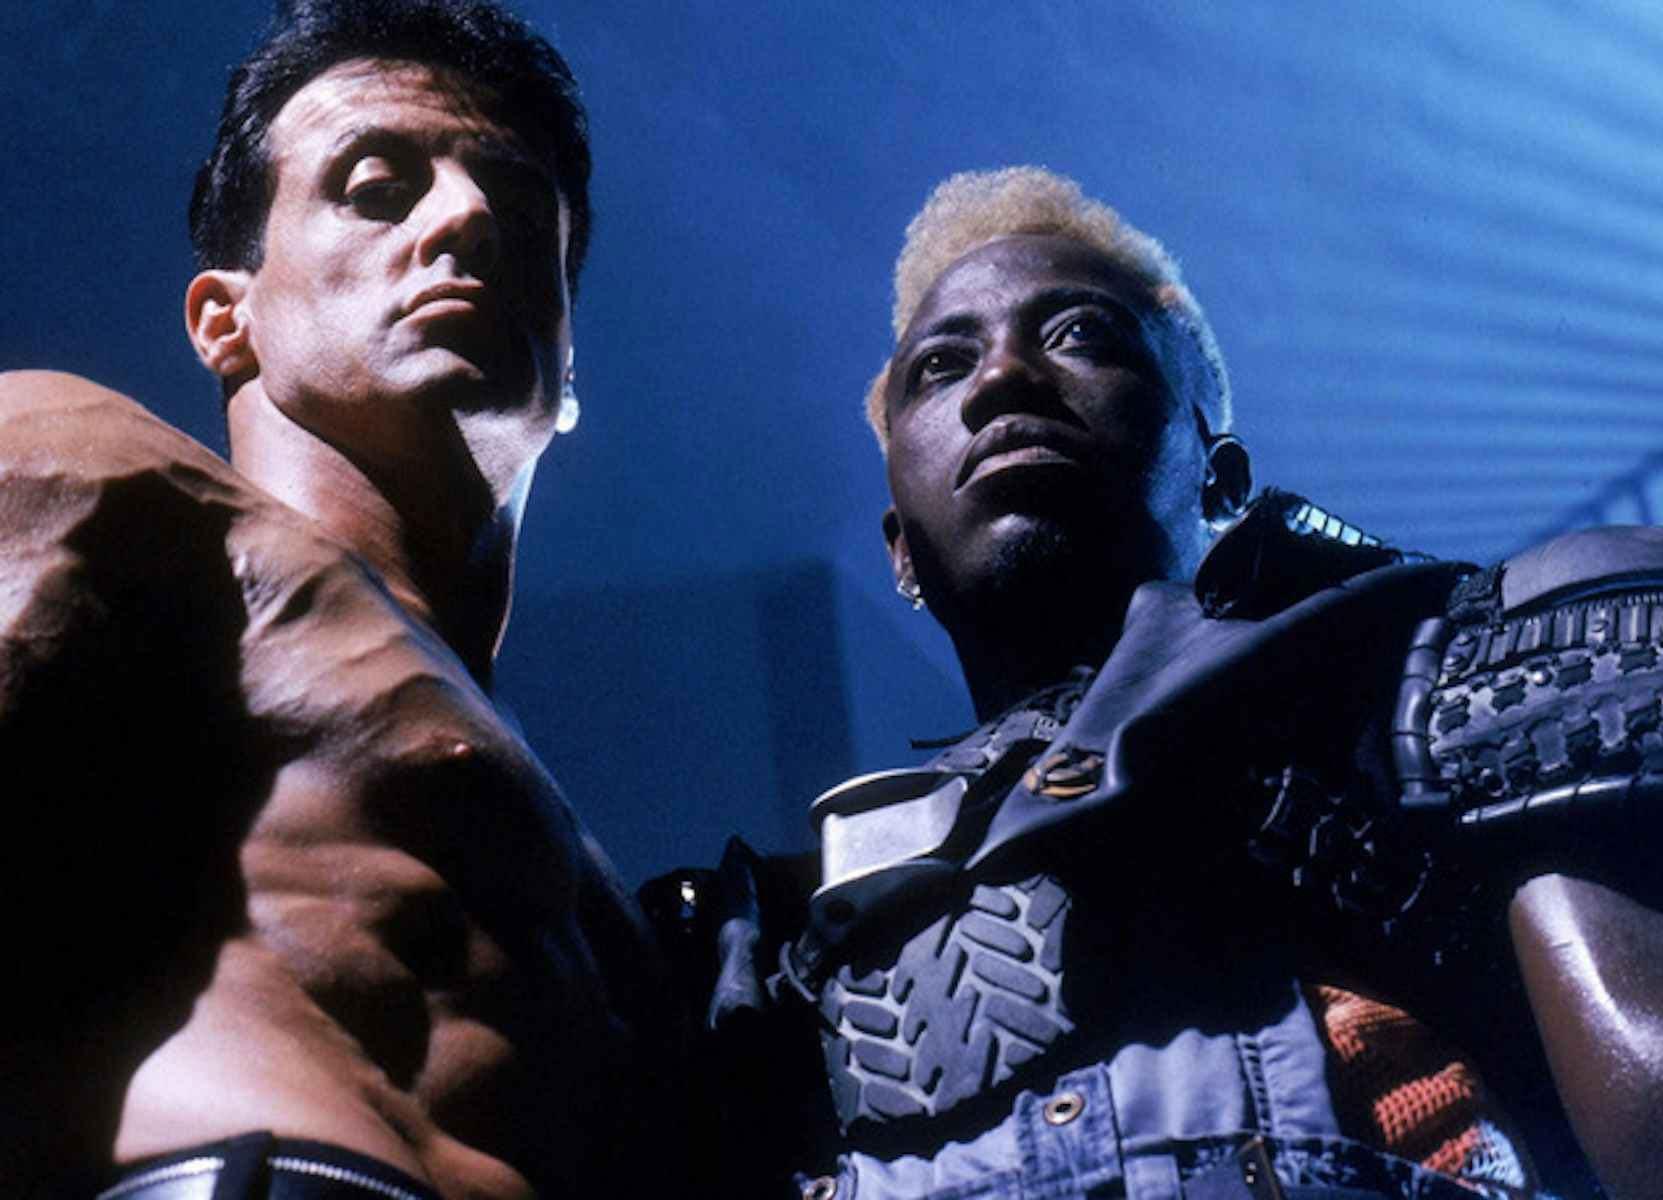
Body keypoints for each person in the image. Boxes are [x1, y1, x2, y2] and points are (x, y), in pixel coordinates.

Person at [663, 168, 1663, 1200]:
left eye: (1079, 336)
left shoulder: (1461, 656)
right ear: (900, 554)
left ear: (1223, 479)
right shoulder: (775, 937)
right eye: (941, 365)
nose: (1001, 377)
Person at [0, 2, 680, 1197]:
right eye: (377, 188)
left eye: (521, 214)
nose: (466, 218)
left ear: (569, 368)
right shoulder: (97, 469)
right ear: (227, 318)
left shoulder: (588, 876)